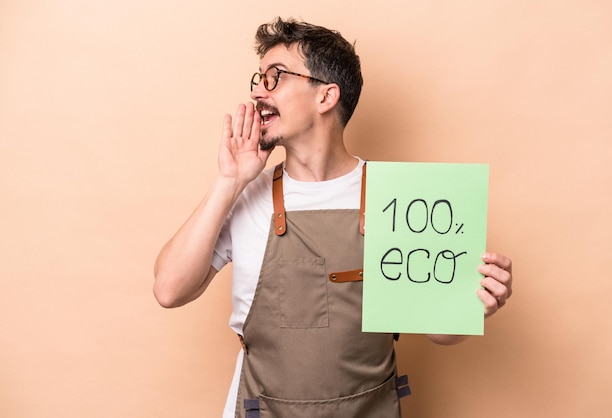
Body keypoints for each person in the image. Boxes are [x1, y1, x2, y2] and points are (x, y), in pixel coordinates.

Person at [153, 17, 513, 418]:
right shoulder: (245, 195)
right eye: (258, 78)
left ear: (326, 96)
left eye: (275, 77)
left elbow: (439, 332)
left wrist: (472, 304)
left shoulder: (398, 197)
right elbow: (169, 290)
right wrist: (228, 180)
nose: (257, 91)